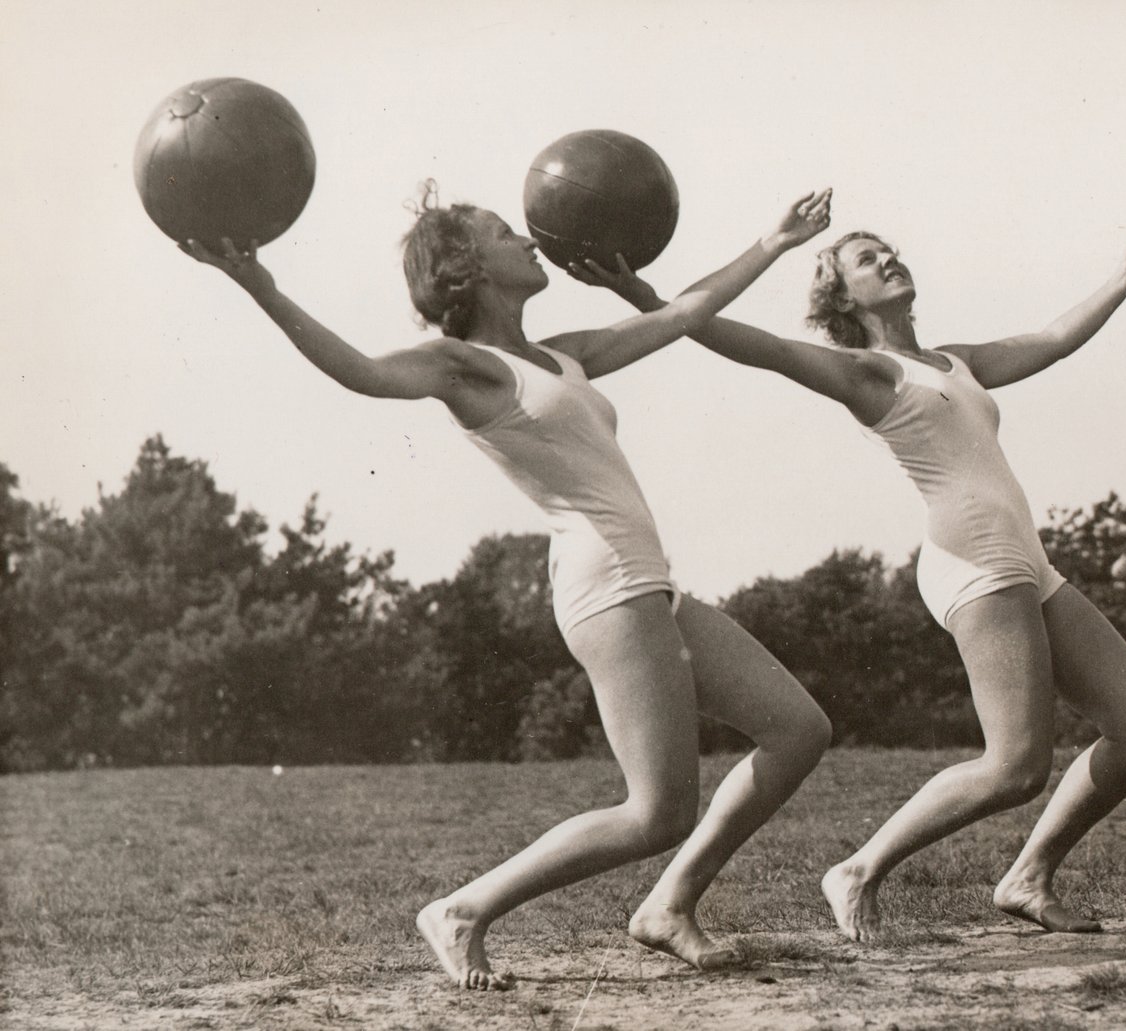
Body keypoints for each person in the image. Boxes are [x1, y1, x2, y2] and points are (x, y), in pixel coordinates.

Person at [179, 183, 835, 988]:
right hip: (608, 585)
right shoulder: (467, 367)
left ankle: (668, 906)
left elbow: (682, 314)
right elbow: (357, 370)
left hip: (648, 582)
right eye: (501, 232)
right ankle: (461, 909)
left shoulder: (563, 354)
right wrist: (263, 286)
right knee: (656, 811)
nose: (527, 239)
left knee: (798, 726)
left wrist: (773, 241)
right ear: (465, 268)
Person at [572, 221, 1126, 941]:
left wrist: (1125, 276)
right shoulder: (868, 373)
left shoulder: (955, 362)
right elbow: (757, 348)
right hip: (975, 564)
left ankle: (1027, 876)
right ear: (843, 297)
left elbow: (1048, 340)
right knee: (1016, 765)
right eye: (867, 259)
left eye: (890, 249)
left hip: (1028, 562)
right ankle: (858, 868)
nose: (889, 258)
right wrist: (643, 294)